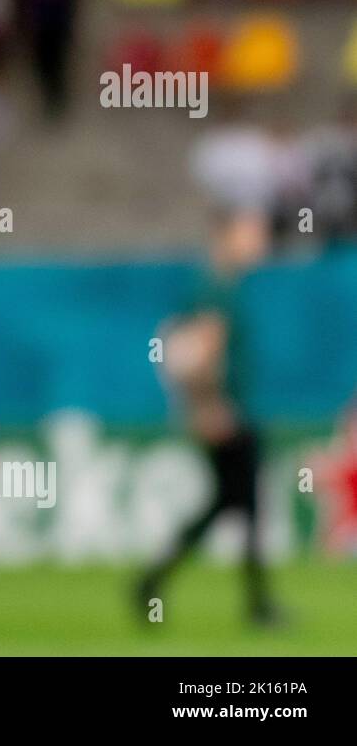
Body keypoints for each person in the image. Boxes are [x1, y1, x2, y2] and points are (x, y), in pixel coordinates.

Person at [140, 207, 282, 625]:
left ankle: (154, 581)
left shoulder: (220, 285)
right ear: (227, 234)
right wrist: (208, 409)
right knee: (243, 504)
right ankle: (257, 606)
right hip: (228, 416)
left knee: (228, 503)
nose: (259, 240)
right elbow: (201, 354)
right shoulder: (215, 288)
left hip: (230, 411)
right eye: (250, 230)